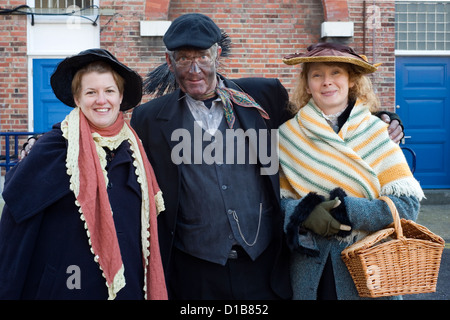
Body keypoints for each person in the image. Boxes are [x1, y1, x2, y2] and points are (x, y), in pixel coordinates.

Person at [131, 13, 404, 300]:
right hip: (194, 271)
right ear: (169, 61)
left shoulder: (263, 96)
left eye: (202, 56)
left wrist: (380, 119)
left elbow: (320, 120)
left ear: (217, 54)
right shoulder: (149, 118)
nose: (194, 69)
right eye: (183, 59)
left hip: (263, 265)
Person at [0, 48, 167, 300]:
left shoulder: (135, 151)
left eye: (109, 91)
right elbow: (17, 222)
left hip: (128, 287)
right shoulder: (53, 148)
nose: (102, 100)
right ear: (77, 99)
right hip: (69, 287)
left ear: (120, 96)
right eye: (91, 92)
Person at [279, 42, 425, 300]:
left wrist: (350, 211)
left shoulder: (377, 132)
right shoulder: (287, 136)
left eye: (336, 72)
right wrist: (304, 213)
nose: (327, 82)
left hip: (370, 266)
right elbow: (273, 202)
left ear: (352, 80)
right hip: (311, 270)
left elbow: (407, 205)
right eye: (317, 75)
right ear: (307, 83)